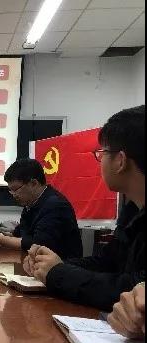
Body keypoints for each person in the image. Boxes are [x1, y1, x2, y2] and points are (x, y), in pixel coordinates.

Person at [26, 105, 145, 311]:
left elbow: (132, 291)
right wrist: (53, 266)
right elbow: (107, 262)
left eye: (102, 153)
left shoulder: (54, 203)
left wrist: (58, 273)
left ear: (120, 161)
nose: (100, 160)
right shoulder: (132, 210)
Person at [0, 158, 82, 260]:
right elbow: (20, 235)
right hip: (35, 264)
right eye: (10, 190)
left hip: (62, 268)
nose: (13, 195)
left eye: (16, 189)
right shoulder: (31, 203)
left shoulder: (55, 205)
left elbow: (37, 245)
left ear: (34, 183)